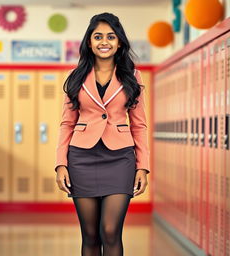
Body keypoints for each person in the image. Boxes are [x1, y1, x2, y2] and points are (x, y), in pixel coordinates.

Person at [54, 12, 150, 256]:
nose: (104, 41)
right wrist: (60, 164)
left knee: (110, 231)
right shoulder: (75, 78)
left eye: (110, 36)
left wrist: (142, 167)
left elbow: (139, 125)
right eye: (98, 36)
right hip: (81, 158)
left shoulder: (132, 77)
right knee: (90, 236)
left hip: (120, 159)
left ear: (119, 42)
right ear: (89, 42)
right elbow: (66, 123)